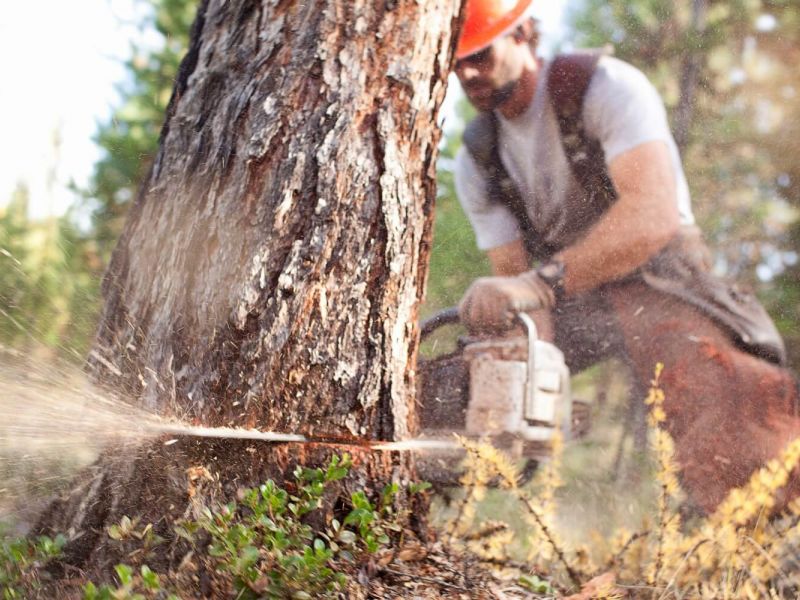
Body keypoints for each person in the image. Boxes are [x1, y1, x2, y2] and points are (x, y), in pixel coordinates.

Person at [451, 0, 800, 513]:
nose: (468, 71)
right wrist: (534, 379)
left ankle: (769, 531)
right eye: (456, 61)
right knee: (468, 379)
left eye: (479, 53)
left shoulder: (603, 86)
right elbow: (516, 286)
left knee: (722, 399)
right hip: (568, 296)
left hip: (661, 276)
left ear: (524, 33)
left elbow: (652, 214)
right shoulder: (478, 158)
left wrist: (538, 285)